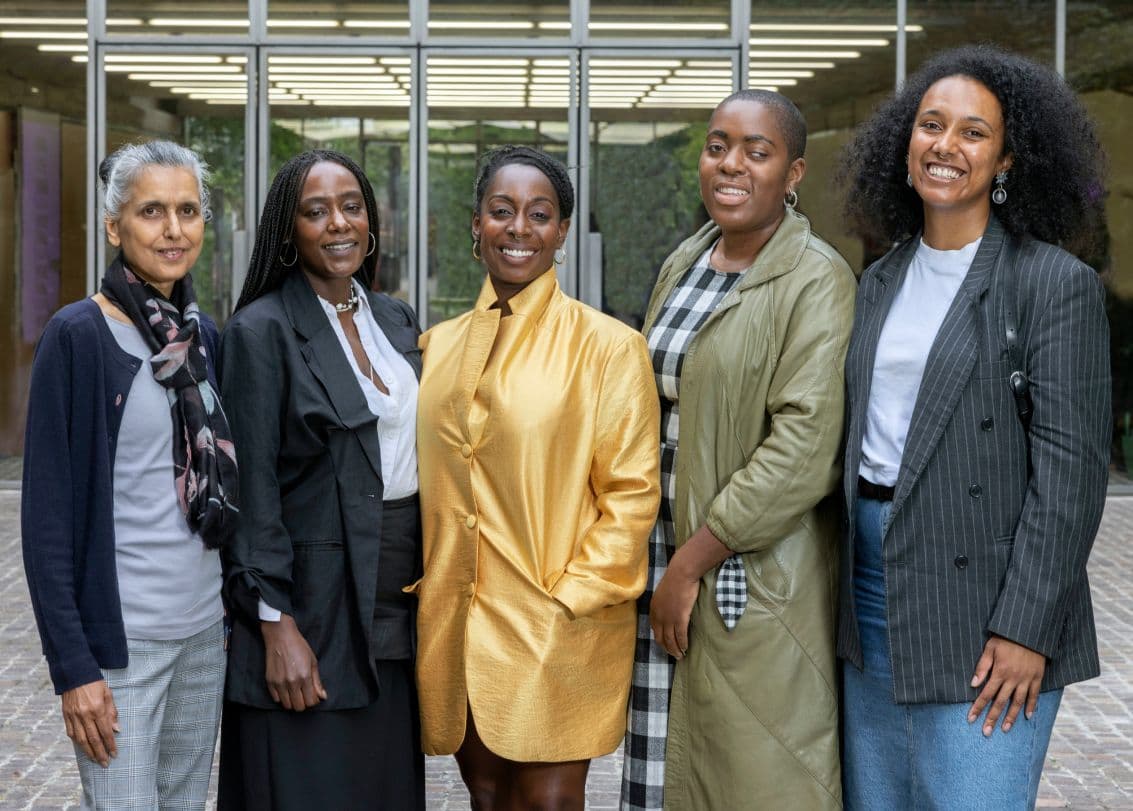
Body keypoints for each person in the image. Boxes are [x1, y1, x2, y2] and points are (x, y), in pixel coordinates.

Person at [836, 45, 1111, 809]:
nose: (945, 147)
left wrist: (1025, 629)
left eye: (972, 133)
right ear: (903, 145)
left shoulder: (1051, 283)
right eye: (930, 125)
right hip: (869, 594)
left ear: (1006, 160)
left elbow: (1071, 474)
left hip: (985, 605)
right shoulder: (878, 279)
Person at [621, 89, 856, 811]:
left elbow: (802, 450)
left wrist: (689, 565)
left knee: (749, 777)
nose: (731, 164)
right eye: (718, 145)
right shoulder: (686, 260)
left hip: (742, 573)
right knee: (665, 770)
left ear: (792, 173)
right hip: (663, 556)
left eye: (758, 152)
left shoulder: (816, 278)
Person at [414, 145, 660, 810]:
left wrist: (570, 598)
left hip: (557, 622)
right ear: (475, 224)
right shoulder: (435, 346)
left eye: (538, 214)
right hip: (460, 625)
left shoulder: (609, 347)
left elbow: (631, 493)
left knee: (548, 801)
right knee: (487, 795)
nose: (518, 227)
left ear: (561, 232)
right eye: (501, 211)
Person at [21, 140, 237, 810]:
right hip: (122, 650)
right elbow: (47, 522)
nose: (173, 229)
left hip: (203, 634)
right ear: (115, 226)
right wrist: (73, 669)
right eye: (151, 211)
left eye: (188, 210)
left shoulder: (203, 337)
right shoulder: (78, 335)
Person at [216, 149, 424, 810]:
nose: (338, 223)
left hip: (393, 608)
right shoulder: (260, 331)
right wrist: (275, 625)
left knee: (383, 789)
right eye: (315, 210)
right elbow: (250, 492)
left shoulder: (395, 320)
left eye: (351, 205)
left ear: (372, 221)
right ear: (288, 231)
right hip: (311, 614)